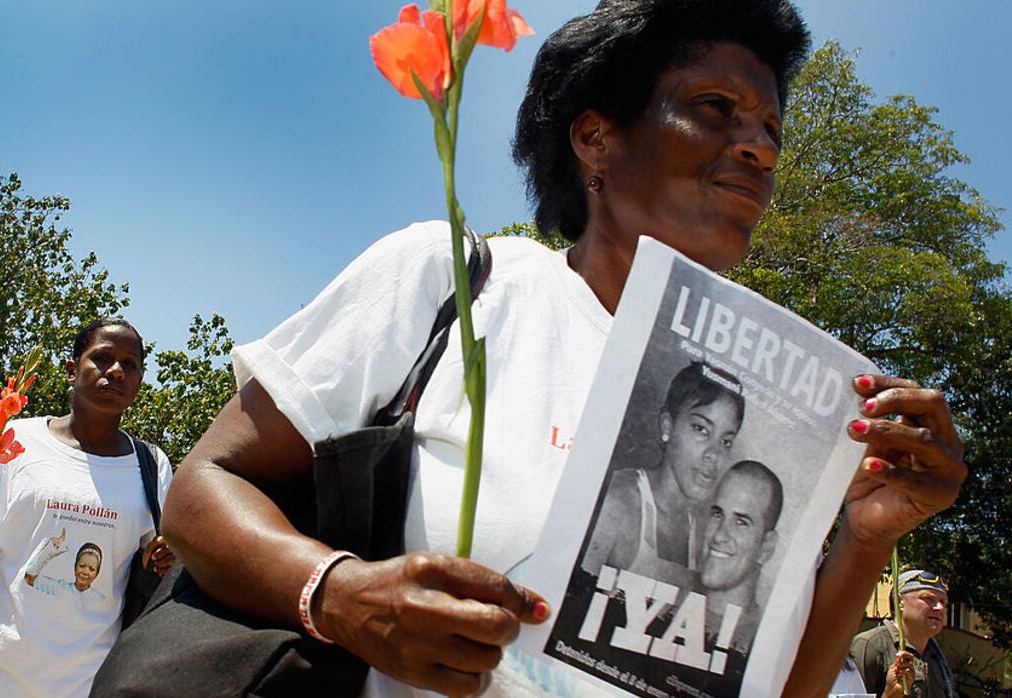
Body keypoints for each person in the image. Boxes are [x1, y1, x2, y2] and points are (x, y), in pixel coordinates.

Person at [161, 1, 968, 696]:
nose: (758, 146)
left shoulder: (782, 398)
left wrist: (867, 538)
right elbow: (203, 488)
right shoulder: (454, 282)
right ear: (595, 140)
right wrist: (338, 595)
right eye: (717, 107)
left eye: (769, 128)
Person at [0, 318, 176, 698]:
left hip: (84, 683)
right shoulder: (12, 443)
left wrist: (165, 560)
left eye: (130, 364)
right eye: (102, 358)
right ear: (71, 369)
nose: (116, 371)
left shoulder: (151, 465)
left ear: (140, 380)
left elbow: (158, 559)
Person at [581, 362, 744, 588]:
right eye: (701, 429)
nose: (714, 454)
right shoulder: (618, 500)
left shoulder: (706, 533)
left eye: (726, 441)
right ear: (668, 425)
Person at [695, 460, 783, 658]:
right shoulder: (658, 587)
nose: (718, 536)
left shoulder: (768, 644)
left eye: (741, 522)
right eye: (717, 515)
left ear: (766, 547)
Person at [850, 570, 955, 698]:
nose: (939, 607)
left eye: (944, 602)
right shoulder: (869, 645)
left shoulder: (937, 656)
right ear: (900, 602)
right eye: (928, 599)